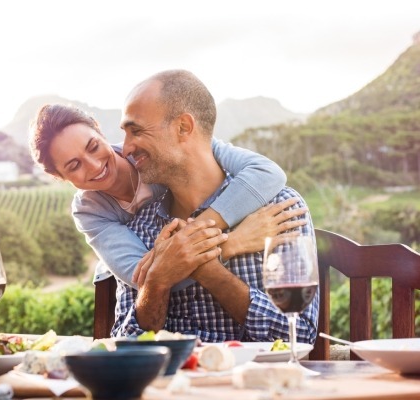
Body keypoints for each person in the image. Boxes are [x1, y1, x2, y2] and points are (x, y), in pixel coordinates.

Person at [112, 69, 318, 343]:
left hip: (255, 383)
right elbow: (123, 343)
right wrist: (156, 282)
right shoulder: (141, 226)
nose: (125, 149)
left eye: (136, 131)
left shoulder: (279, 208)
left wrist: (207, 268)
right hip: (173, 384)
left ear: (184, 127)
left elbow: (300, 336)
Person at [29, 104, 306, 293]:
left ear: (101, 133)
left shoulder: (158, 152)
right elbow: (148, 278)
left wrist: (201, 229)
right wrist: (231, 243)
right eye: (74, 166)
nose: (93, 165)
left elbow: (267, 173)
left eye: (93, 146)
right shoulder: (90, 210)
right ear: (61, 178)